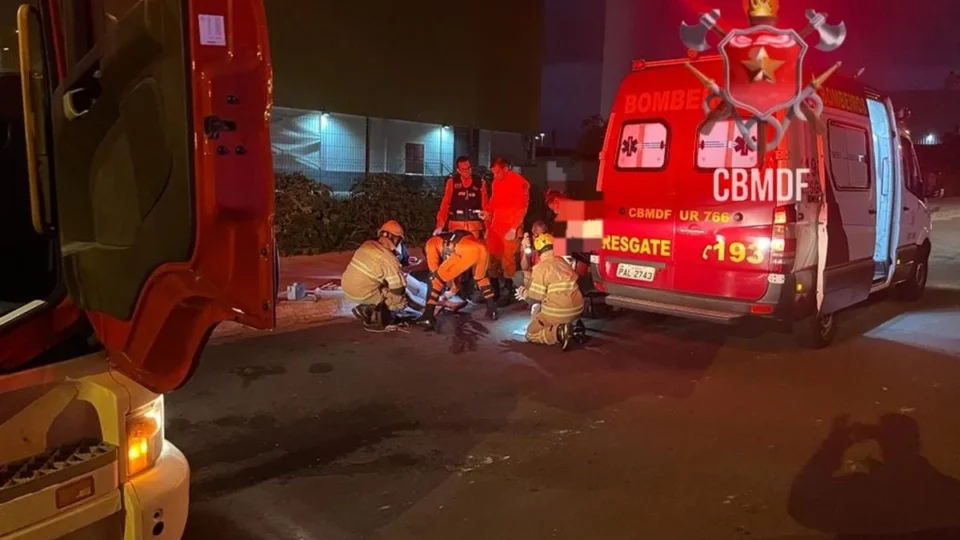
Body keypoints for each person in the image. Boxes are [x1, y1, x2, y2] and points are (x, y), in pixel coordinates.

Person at [416, 230, 498, 330]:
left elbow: (434, 271)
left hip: (466, 250)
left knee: (433, 279)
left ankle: (428, 316)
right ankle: (492, 310)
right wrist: (451, 292)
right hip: (482, 248)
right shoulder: (447, 240)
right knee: (481, 278)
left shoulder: (430, 244)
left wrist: (439, 291)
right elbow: (455, 273)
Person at [514, 234, 584, 351]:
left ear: (538, 251)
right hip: (578, 309)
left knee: (530, 333)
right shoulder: (562, 261)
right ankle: (573, 325)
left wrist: (524, 294)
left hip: (558, 312)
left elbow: (536, 298)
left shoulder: (540, 268)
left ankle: (559, 332)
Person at [341, 220, 409, 329]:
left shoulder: (367, 245)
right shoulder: (389, 259)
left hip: (346, 288)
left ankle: (368, 304)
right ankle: (374, 312)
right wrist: (398, 304)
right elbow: (398, 289)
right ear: (395, 239)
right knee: (399, 300)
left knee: (381, 285)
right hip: (361, 293)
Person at [485, 156, 530, 306]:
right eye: (493, 173)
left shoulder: (518, 182)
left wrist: (513, 228)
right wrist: (487, 213)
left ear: (506, 168)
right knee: (492, 259)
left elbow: (522, 208)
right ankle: (495, 292)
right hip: (496, 227)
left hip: (510, 229)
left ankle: (508, 293)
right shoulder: (496, 182)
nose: (495, 176)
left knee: (508, 261)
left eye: (497, 172)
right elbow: (493, 201)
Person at [434, 156, 488, 239]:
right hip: (456, 226)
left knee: (473, 250)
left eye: (468, 168)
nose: (467, 171)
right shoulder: (451, 182)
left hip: (474, 227)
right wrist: (440, 226)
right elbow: (445, 204)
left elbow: (485, 206)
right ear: (458, 170)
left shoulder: (480, 183)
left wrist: (488, 227)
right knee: (455, 250)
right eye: (463, 169)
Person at [517, 220, 549, 288]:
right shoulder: (528, 244)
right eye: (535, 233)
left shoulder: (550, 243)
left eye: (540, 234)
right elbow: (524, 267)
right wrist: (524, 248)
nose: (537, 236)